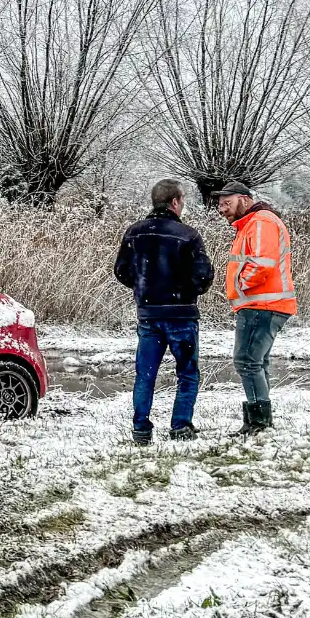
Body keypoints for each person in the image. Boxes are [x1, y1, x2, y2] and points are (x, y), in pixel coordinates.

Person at [114, 179, 214, 444]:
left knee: (146, 374)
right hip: (181, 314)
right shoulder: (188, 235)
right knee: (187, 373)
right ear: (174, 202)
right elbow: (204, 277)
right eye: (182, 201)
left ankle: (141, 428)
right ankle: (180, 426)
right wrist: (186, 290)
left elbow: (121, 271)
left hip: (148, 314)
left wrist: (143, 287)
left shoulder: (133, 233)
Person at [211, 181, 297, 436]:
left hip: (262, 303)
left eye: (227, 203)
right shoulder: (254, 223)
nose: (221, 210)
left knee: (247, 361)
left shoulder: (261, 222)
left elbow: (262, 263)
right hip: (263, 303)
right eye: (219, 205)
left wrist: (241, 285)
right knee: (256, 362)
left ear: (245, 200)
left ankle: (258, 424)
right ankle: (259, 422)